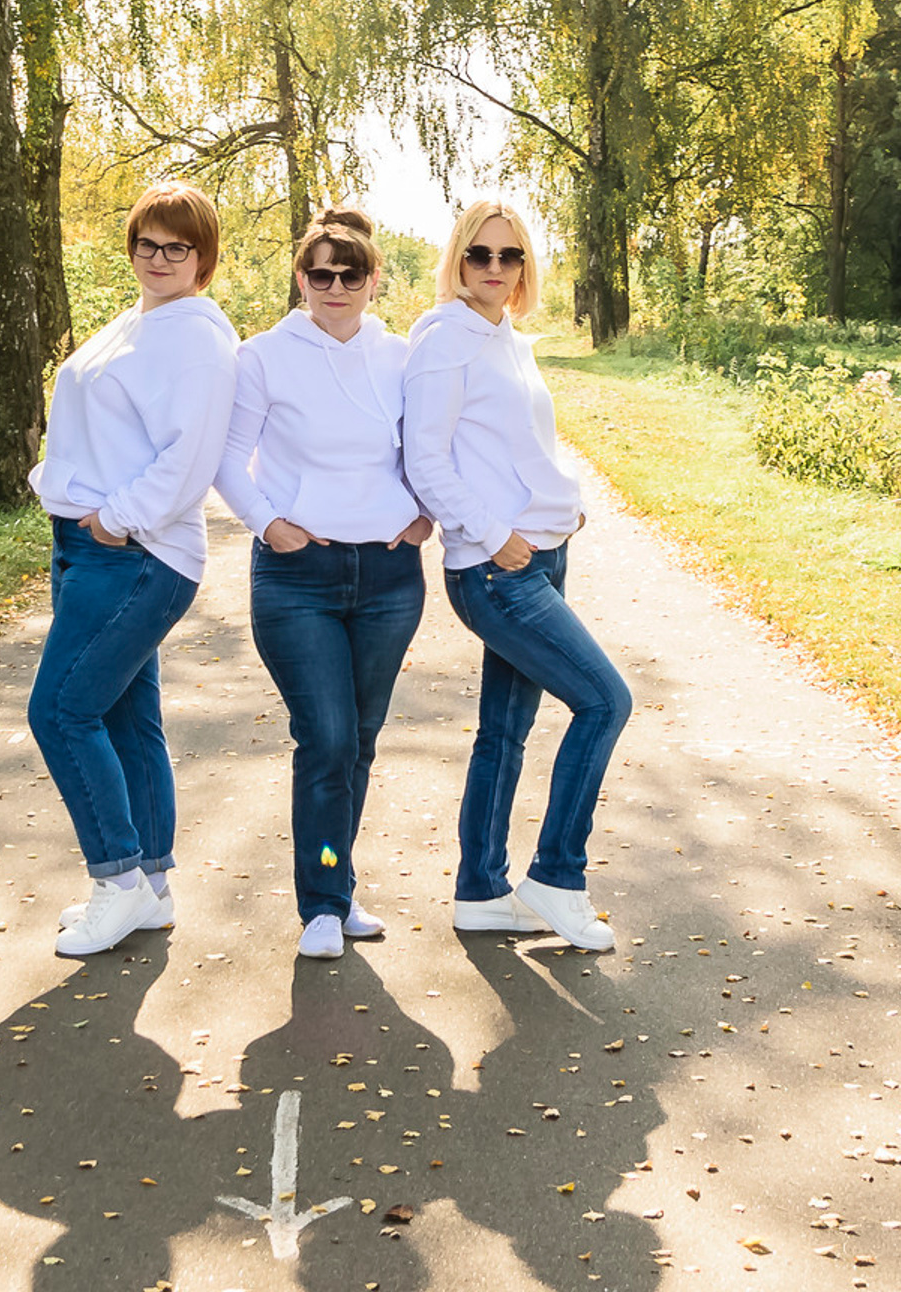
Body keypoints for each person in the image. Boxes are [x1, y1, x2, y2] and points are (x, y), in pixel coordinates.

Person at [402, 195, 630, 953]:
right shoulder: (446, 339)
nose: (494, 269)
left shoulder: (509, 340)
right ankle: (558, 877)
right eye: (479, 255)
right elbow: (425, 457)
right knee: (604, 702)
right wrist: (494, 534)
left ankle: (481, 891)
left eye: (509, 256)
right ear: (457, 260)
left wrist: (564, 505)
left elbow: (523, 447)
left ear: (524, 266)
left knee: (505, 731)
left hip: (543, 553)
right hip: (499, 573)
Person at [217, 205, 435, 961]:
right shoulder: (262, 357)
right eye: (320, 274)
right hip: (296, 575)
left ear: (374, 282)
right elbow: (227, 456)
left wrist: (425, 513)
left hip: (387, 576)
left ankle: (335, 886)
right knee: (328, 737)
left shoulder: (403, 357)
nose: (333, 286)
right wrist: (267, 523)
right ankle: (320, 903)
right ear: (301, 279)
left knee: (361, 742)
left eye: (350, 274)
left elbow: (434, 447)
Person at [27, 181, 238, 958]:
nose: (158, 257)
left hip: (133, 554)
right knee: (123, 716)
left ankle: (112, 880)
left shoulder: (196, 338)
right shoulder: (144, 320)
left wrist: (114, 519)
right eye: (147, 243)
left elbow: (191, 458)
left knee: (60, 712)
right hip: (92, 545)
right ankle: (147, 884)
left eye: (176, 247)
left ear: (203, 258)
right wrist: (56, 481)